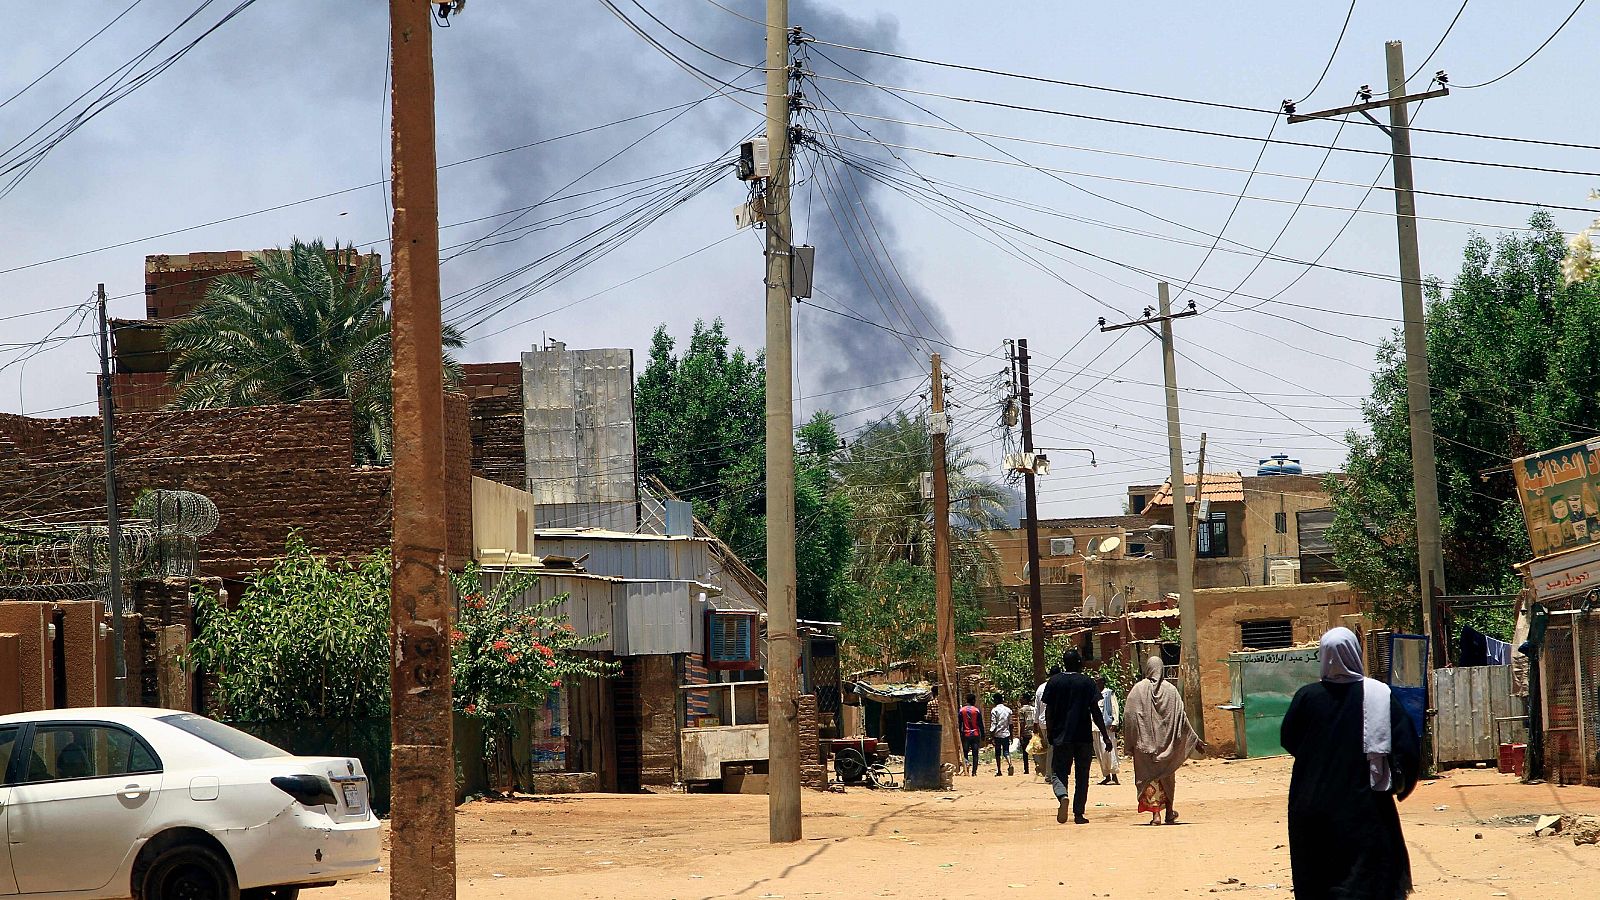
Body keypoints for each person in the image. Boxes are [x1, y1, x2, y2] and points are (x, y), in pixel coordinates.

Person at [1282, 627, 1420, 900]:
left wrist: (1317, 758)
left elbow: (1289, 739)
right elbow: (1406, 746)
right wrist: (1401, 784)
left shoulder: (1306, 697)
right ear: (1356, 653)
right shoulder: (1380, 696)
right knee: (1368, 876)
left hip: (1311, 804)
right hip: (1365, 804)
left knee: (1318, 876)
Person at [1123, 655, 1208, 825]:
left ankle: (1156, 815)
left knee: (1150, 780)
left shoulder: (1138, 690)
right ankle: (1169, 812)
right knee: (1167, 779)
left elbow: (1129, 717)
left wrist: (1131, 742)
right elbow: (1181, 719)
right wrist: (1195, 740)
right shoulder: (1171, 691)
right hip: (1168, 747)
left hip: (1145, 748)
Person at [1041, 650, 1113, 824]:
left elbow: (1048, 711)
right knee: (1082, 776)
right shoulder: (1087, 683)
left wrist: (1050, 733)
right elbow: (1095, 711)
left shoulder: (1054, 682)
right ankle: (1079, 813)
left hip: (1061, 737)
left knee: (1059, 773)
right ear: (1079, 662)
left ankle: (1062, 795)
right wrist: (1105, 736)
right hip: (1083, 737)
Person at [1095, 675, 1121, 785]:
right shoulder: (1093, 694)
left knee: (1109, 752)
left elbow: (1115, 707)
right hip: (1095, 728)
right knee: (1100, 753)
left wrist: (1115, 722)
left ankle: (1114, 775)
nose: (1096, 683)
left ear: (1102, 682)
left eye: (1098, 681)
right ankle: (1106, 775)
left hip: (1107, 727)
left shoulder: (1109, 693)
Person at [958, 693, 983, 776]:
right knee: (975, 753)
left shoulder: (962, 710)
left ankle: (966, 770)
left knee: (965, 753)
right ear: (973, 700)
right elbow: (980, 724)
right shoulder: (976, 710)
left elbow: (959, 723)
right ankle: (974, 772)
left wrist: (959, 733)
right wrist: (983, 734)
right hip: (975, 734)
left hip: (966, 734)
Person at [990, 693, 1014, 776]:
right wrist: (1011, 736)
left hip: (997, 735)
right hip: (1006, 734)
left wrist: (991, 735)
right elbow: (1011, 724)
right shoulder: (1008, 710)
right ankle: (1010, 764)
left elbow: (994, 724)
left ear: (996, 700)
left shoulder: (994, 710)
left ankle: (999, 770)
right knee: (1006, 751)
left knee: (997, 753)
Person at [1017, 697, 1036, 774]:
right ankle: (1038, 768)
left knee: (1025, 753)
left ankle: (1026, 769)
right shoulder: (1034, 708)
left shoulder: (1021, 710)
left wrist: (1020, 734)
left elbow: (1022, 723)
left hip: (1025, 732)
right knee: (1035, 751)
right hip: (1033, 732)